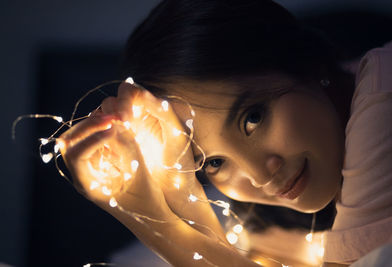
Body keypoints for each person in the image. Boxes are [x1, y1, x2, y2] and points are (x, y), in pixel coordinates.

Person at [58, 0, 392, 266]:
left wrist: (156, 224)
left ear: (305, 63)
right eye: (214, 162)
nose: (260, 175)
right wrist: (181, 191)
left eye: (253, 118)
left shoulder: (382, 95)